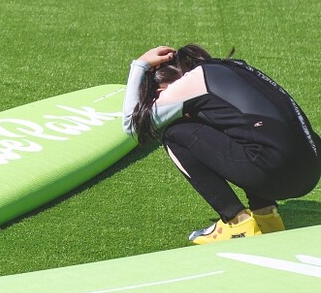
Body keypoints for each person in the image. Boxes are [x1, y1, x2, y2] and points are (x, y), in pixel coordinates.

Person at [122, 44, 321, 244]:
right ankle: (267, 218)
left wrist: (139, 65)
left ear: (161, 88)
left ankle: (237, 223)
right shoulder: (232, 67)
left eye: (157, 97)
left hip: (276, 172)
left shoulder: (186, 85)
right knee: (241, 129)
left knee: (174, 133)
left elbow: (133, 126)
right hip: (311, 170)